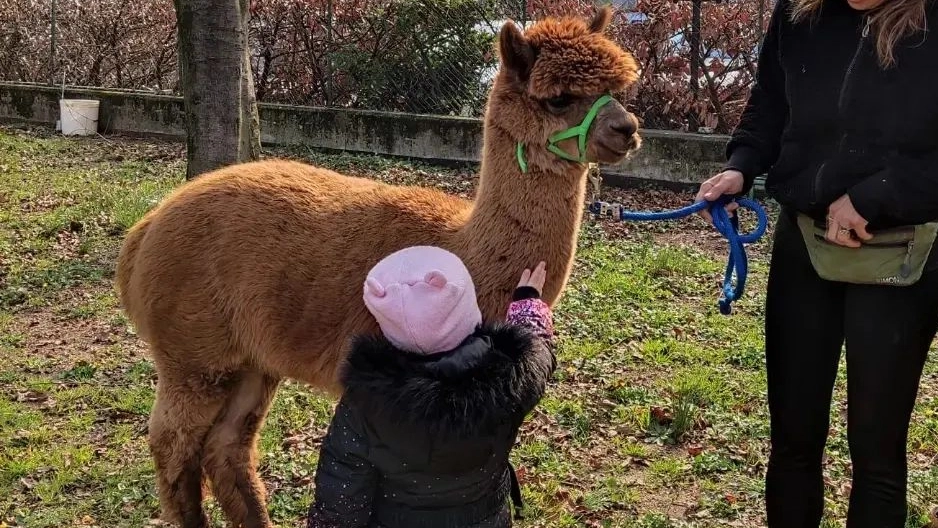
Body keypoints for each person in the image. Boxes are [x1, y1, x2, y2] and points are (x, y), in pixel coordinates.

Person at [695, 0, 938, 525]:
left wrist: (875, 197)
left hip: (900, 254)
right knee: (792, 439)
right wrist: (741, 166)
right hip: (804, 242)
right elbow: (770, 104)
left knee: (877, 454)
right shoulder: (799, 13)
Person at [306, 245, 557, 528]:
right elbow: (539, 353)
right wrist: (527, 304)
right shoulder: (510, 380)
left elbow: (341, 496)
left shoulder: (365, 406)